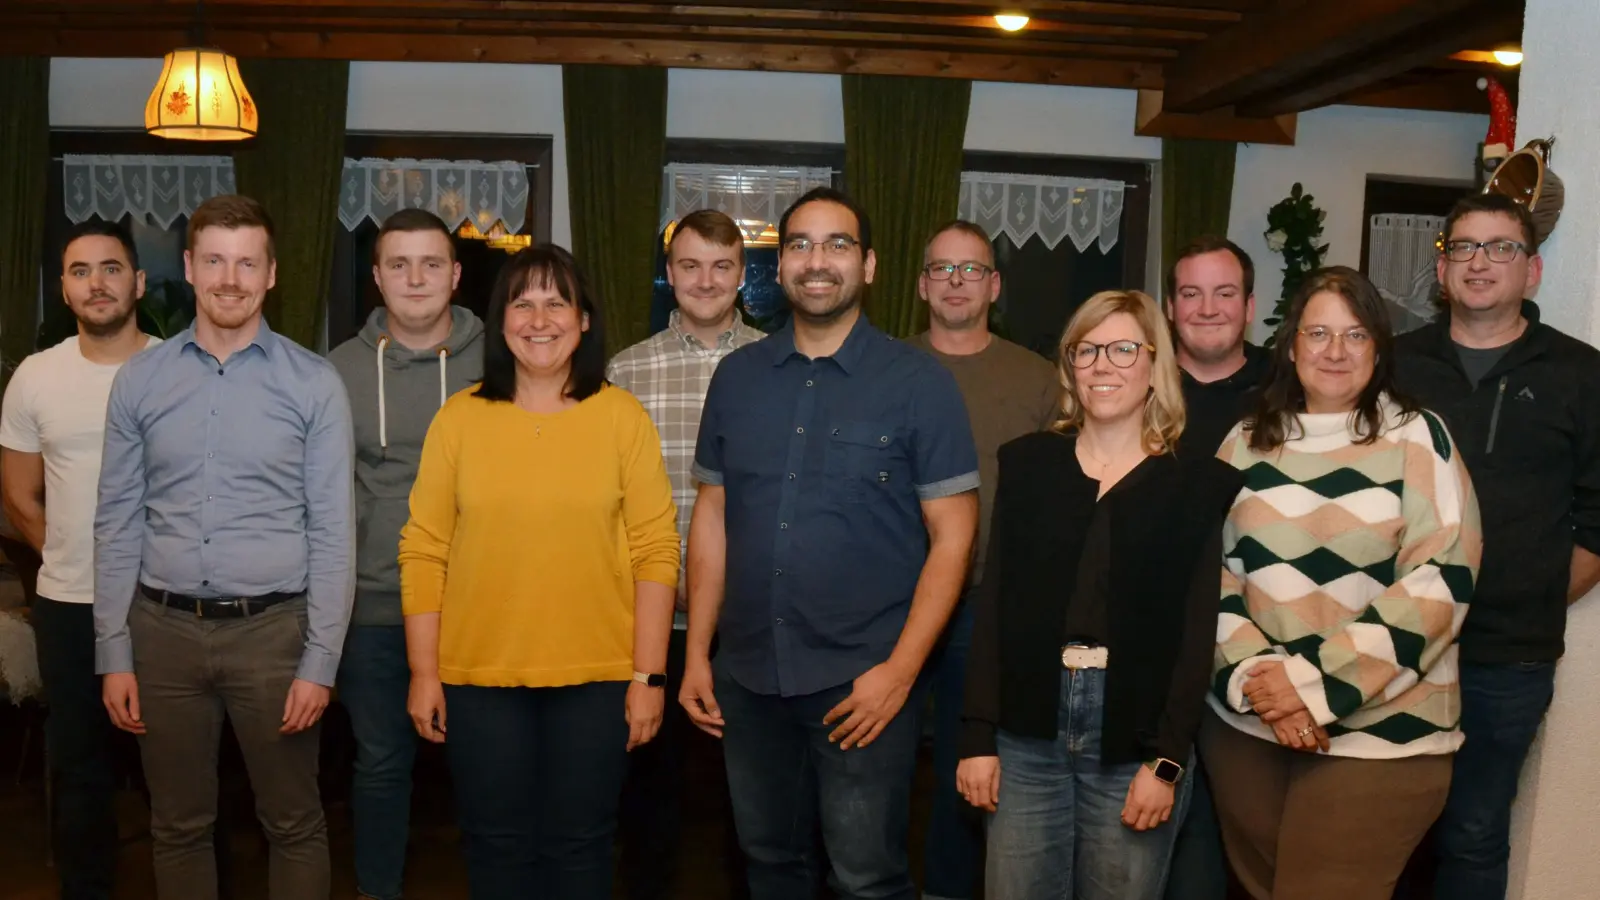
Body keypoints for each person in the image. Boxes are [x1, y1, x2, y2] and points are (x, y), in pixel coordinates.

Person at [679, 187, 979, 900]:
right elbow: (713, 518)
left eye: (837, 244)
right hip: (748, 681)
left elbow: (955, 536)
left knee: (866, 877)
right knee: (770, 867)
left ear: (869, 265)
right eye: (801, 245)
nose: (818, 261)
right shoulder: (738, 378)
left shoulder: (919, 385)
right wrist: (698, 655)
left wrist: (899, 676)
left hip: (864, 684)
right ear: (779, 266)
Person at [398, 243, 680, 900]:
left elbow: (656, 550)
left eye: (558, 302)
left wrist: (649, 676)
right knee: (495, 848)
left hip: (601, 679)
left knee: (581, 849)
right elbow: (424, 548)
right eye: (521, 302)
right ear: (499, 322)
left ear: (584, 320)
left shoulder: (621, 418)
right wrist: (422, 673)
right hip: (477, 679)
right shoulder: (460, 419)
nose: (539, 318)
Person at [94, 194, 355, 900]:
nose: (229, 278)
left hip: (274, 636)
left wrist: (320, 663)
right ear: (189, 266)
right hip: (162, 634)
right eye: (214, 260)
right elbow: (116, 521)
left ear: (271, 274)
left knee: (293, 822)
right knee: (177, 826)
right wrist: (113, 653)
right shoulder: (140, 380)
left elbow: (334, 532)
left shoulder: (314, 385)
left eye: (246, 262)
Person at [1203, 266, 1481, 900]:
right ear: (1291, 344)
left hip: (1382, 742)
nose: (1334, 351)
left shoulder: (1416, 436)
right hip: (1249, 731)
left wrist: (1312, 684)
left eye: (1354, 336)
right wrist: (1251, 675)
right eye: (1318, 332)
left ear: (1379, 348)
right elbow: (1203, 571)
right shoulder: (1245, 442)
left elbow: (1442, 578)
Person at [957, 289, 1242, 900]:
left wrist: (1167, 762)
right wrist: (978, 736)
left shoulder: (1196, 485)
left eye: (1121, 348)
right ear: (1069, 366)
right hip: (1026, 735)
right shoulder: (1028, 465)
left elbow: (1196, 636)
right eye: (1085, 350)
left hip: (1133, 742)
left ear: (1153, 365)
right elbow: (995, 606)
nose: (1102, 365)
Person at [1393, 192, 1600, 900]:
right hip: (1391, 649)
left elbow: (1599, 519)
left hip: (1508, 660)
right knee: (1381, 828)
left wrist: (1529, 594)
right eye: (1464, 249)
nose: (1480, 263)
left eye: (1501, 248)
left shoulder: (1582, 374)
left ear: (1532, 271)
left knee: (1475, 833)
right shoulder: (1393, 368)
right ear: (1442, 269)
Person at [326, 208, 484, 900]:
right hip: (377, 602)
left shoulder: (503, 358)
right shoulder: (336, 372)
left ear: (455, 275)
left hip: (485, 602)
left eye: (430, 264)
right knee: (382, 763)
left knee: (489, 769)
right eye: (398, 264)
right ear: (377, 277)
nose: (415, 278)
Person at [0, 219, 161, 900]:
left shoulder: (177, 367)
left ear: (139, 282)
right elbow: (18, 494)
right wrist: (67, 556)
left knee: (180, 767)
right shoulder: (36, 378)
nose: (97, 283)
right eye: (80, 270)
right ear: (64, 291)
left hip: (164, 604)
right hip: (70, 604)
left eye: (112, 267)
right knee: (80, 767)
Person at [607, 208, 764, 900]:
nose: (706, 280)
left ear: (742, 276)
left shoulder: (777, 365)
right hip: (653, 620)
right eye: (691, 265)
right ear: (670, 275)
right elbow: (609, 497)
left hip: (752, 618)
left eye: (721, 266)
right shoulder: (626, 369)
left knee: (751, 797)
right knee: (650, 796)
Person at [904, 219, 1057, 900]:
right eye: (944, 269)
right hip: (886, 607)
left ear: (994, 284)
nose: (957, 281)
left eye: (972, 269)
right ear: (921, 285)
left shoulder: (1040, 379)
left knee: (966, 774)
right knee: (874, 766)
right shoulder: (885, 366)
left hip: (990, 605)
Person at [1161, 235, 1269, 900]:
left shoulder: (1289, 390)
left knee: (1241, 834)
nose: (1208, 308)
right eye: (1191, 293)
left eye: (1224, 293)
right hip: (1150, 638)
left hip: (1251, 639)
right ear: (1170, 306)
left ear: (1250, 305)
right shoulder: (1132, 383)